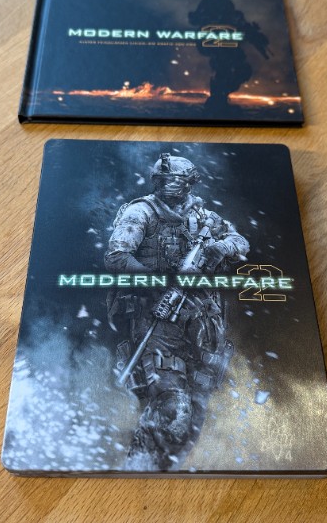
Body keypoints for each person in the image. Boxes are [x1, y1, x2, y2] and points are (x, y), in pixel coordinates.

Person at [105, 153, 249, 470]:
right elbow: (117, 256)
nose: (169, 185)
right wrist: (159, 282)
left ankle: (160, 472)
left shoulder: (204, 217)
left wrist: (221, 247)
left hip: (202, 324)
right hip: (158, 318)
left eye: (176, 180)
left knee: (193, 418)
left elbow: (240, 241)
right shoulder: (141, 211)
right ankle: (138, 469)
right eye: (163, 179)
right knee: (172, 406)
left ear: (189, 183)